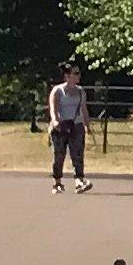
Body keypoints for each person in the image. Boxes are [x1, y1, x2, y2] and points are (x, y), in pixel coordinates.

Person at [45, 62, 93, 193]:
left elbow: (84, 109)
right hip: (61, 126)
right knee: (59, 155)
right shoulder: (58, 91)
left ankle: (79, 180)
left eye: (79, 73)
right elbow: (53, 108)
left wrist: (87, 124)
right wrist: (55, 121)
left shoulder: (80, 91)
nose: (78, 76)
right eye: (75, 73)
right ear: (67, 76)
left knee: (77, 153)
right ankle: (57, 183)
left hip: (76, 125)